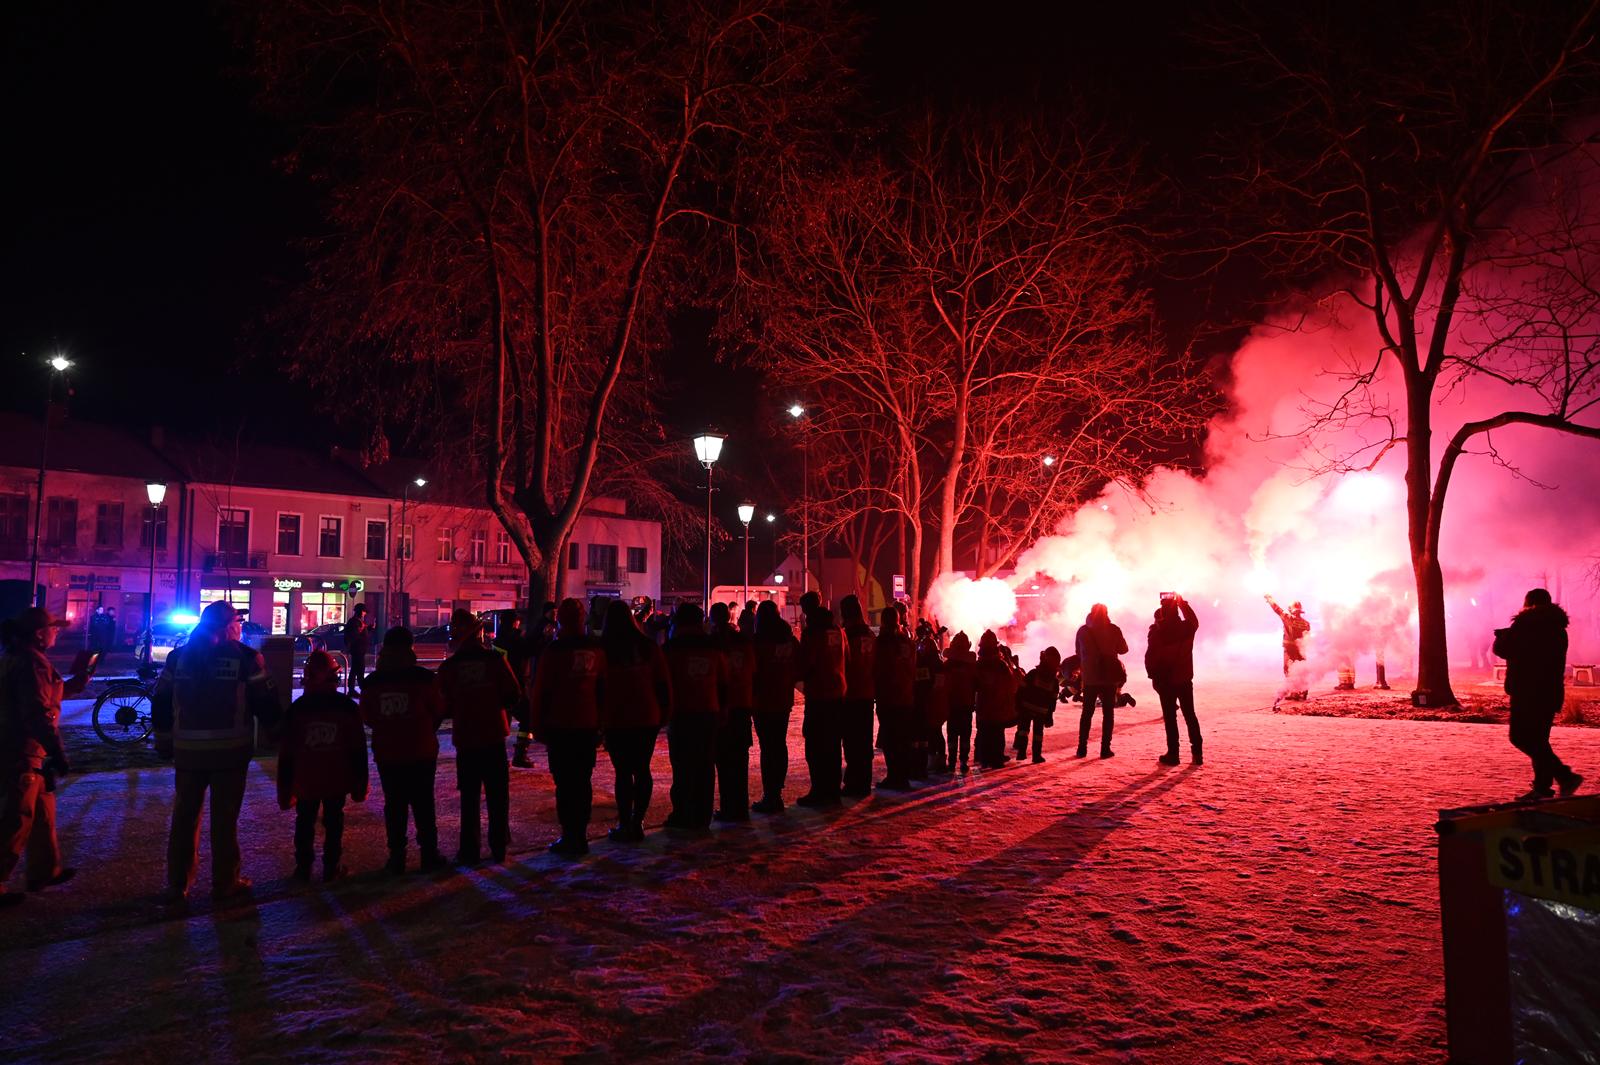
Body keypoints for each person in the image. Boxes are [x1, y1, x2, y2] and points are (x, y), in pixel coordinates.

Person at [153, 601, 280, 905]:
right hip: (229, 754)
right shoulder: (246, 658)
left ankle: (178, 884)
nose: (240, 627)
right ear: (228, 626)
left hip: (188, 753)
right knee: (225, 820)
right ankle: (225, 882)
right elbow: (266, 702)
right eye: (238, 622)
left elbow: (161, 701)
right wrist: (277, 733)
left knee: (184, 818)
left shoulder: (178, 658)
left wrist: (164, 739)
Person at [0, 609, 94, 905]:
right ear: (39, 634)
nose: (57, 632)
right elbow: (37, 713)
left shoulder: (19, 658)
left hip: (26, 749)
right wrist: (57, 752)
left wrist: (74, 685)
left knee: (42, 812)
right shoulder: (31, 663)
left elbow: (42, 696)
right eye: (54, 628)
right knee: (16, 818)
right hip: (23, 750)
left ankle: (44, 870)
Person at [360, 626, 448, 874]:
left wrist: (388, 724)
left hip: (388, 751)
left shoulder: (373, 682)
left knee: (394, 804)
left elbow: (367, 715)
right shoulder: (424, 678)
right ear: (410, 648)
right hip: (421, 749)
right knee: (423, 803)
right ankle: (429, 853)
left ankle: (397, 856)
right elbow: (439, 709)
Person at [436, 608, 522, 864]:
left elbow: (442, 704)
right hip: (493, 735)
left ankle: (469, 850)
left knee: (469, 797)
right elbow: (514, 693)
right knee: (498, 795)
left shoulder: (450, 667)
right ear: (478, 633)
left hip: (467, 737)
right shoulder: (494, 660)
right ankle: (498, 845)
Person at [277, 651, 367, 882]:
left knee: (304, 821)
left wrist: (285, 788)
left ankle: (303, 867)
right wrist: (360, 781)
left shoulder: (297, 709)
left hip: (306, 779)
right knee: (334, 821)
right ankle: (331, 866)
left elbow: (287, 753)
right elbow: (357, 748)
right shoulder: (346, 707)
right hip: (336, 777)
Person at [528, 599, 606, 856]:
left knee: (565, 783)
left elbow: (541, 691)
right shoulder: (596, 650)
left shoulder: (554, 651)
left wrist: (537, 725)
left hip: (560, 726)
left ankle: (570, 835)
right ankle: (580, 834)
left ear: (561, 620)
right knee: (582, 781)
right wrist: (601, 723)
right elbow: (603, 688)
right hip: (587, 725)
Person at [1494, 589, 1584, 801]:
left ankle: (1565, 776)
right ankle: (1542, 788)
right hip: (1550, 692)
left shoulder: (1524, 624)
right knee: (1539, 741)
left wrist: (1502, 636)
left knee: (1520, 738)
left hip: (1526, 690)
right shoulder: (1558, 628)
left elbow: (1504, 650)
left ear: (1528, 604)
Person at [598, 600, 670, 842]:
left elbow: (598, 685)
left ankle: (624, 822)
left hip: (617, 716)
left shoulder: (604, 649)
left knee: (622, 772)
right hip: (646, 715)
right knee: (642, 769)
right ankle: (638, 821)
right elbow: (662, 682)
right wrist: (664, 711)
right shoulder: (648, 647)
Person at [662, 604, 726, 831]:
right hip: (709, 711)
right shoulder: (713, 647)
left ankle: (682, 813)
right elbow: (723, 681)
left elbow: (663, 682)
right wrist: (723, 709)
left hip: (681, 713)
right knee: (705, 765)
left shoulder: (671, 648)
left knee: (682, 766)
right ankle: (702, 815)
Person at [796, 596, 848, 807]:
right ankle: (833, 791)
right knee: (833, 745)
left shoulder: (812, 633)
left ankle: (819, 790)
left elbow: (806, 663)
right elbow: (847, 657)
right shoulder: (838, 630)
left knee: (815, 745)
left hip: (819, 694)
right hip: (838, 692)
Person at [750, 600, 801, 813]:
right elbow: (799, 665)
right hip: (783, 698)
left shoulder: (758, 641)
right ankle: (776, 791)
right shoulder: (789, 639)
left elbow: (753, 671)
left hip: (763, 700)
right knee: (779, 744)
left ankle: (770, 794)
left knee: (768, 747)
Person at [710, 602, 755, 822]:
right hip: (743, 704)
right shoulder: (743, 642)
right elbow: (753, 670)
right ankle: (741, 807)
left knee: (723, 760)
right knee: (740, 760)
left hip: (721, 707)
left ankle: (728, 807)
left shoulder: (713, 643)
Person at [1146, 594, 1203, 766]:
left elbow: (1150, 658)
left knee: (1170, 718)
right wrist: (1182, 603)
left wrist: (1153, 676)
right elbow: (1193, 620)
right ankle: (1197, 753)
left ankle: (1173, 754)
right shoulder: (1187, 628)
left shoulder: (1157, 632)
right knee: (1190, 715)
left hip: (1165, 681)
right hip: (1184, 678)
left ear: (1162, 613)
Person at [1076, 604, 1128, 759]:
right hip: (1108, 678)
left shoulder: (1083, 631)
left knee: (1087, 713)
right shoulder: (1114, 629)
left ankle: (1082, 748)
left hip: (1090, 678)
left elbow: (1078, 652)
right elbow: (1124, 649)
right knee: (1108, 714)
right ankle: (1105, 749)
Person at [838, 595, 878, 798]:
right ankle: (864, 780)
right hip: (867, 693)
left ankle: (854, 782)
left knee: (852, 741)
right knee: (864, 739)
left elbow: (845, 664)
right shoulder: (869, 635)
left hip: (851, 693)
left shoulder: (848, 636)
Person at [874, 607, 917, 790]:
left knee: (890, 739)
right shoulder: (906, 641)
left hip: (888, 696)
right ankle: (902, 777)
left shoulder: (883, 642)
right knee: (903, 739)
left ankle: (894, 776)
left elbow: (878, 668)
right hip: (905, 696)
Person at [973, 631, 1018, 769]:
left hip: (983, 704)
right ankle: (996, 759)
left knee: (983, 732)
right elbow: (1010, 684)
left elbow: (974, 684)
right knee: (997, 733)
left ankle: (983, 758)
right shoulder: (1001, 665)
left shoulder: (978, 665)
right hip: (997, 705)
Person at [1014, 647, 1062, 765]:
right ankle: (1036, 756)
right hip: (1042, 711)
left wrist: (1018, 703)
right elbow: (1053, 700)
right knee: (1038, 734)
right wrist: (1049, 715)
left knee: (1023, 730)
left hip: (1026, 707)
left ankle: (1021, 752)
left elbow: (1021, 689)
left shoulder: (1033, 673)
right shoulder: (1054, 681)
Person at [913, 626, 948, 774]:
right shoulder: (940, 665)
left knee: (929, 733)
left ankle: (931, 760)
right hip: (937, 704)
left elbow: (920, 684)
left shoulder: (923, 664)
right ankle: (939, 760)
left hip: (927, 703)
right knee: (936, 732)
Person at [1265, 595, 1310, 701]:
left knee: (1290, 670)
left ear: (1291, 609)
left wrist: (1270, 599)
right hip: (1301, 650)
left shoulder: (1288, 618)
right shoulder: (1306, 623)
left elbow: (1277, 609)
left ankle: (1295, 692)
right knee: (1301, 670)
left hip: (1290, 650)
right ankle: (1303, 691)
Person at [943, 632, 977, 774]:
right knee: (965, 734)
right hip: (966, 705)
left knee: (952, 734)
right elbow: (977, 685)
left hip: (952, 705)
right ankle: (963, 761)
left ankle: (951, 762)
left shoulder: (947, 665)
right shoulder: (972, 666)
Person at [343, 603, 374, 694]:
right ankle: (359, 688)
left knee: (356, 669)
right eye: (364, 612)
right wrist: (364, 639)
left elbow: (360, 632)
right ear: (360, 611)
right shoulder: (354, 622)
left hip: (359, 649)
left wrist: (369, 628)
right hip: (357, 649)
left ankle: (354, 689)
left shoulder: (357, 621)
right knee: (358, 669)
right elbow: (355, 635)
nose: (365, 614)